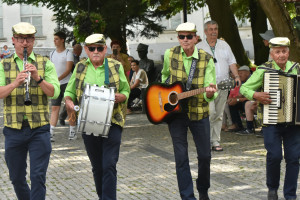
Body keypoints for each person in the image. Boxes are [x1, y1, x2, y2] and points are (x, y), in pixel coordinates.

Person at [64, 33, 130, 199]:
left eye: (99, 48)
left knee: (109, 164)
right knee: (97, 167)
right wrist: (69, 102)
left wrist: (121, 97)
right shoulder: (80, 67)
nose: (95, 51)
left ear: (105, 49)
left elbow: (126, 90)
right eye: (91, 48)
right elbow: (69, 92)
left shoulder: (115, 66)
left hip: (112, 120)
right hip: (88, 122)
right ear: (86, 50)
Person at [0, 22, 60, 200]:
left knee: (37, 176)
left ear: (34, 41)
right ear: (13, 40)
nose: (24, 43)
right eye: (20, 39)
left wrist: (38, 78)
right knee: (16, 177)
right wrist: (15, 83)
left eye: (28, 39)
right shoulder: (4, 64)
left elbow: (54, 92)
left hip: (39, 128)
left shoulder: (45, 63)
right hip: (13, 129)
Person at [161, 22, 217, 200]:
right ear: (178, 38)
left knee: (205, 155)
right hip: (176, 114)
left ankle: (203, 189)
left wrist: (209, 93)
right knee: (181, 157)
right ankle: (187, 196)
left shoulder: (206, 58)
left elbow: (211, 86)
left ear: (196, 38)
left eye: (189, 36)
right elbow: (164, 77)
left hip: (199, 111)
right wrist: (165, 94)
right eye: (181, 37)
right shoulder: (169, 54)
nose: (185, 40)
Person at [240, 37, 300, 200]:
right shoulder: (263, 70)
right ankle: (272, 188)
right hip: (271, 121)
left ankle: (290, 195)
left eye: (284, 51)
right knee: (274, 155)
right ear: (272, 53)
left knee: (294, 158)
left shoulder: (296, 69)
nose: (281, 55)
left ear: (288, 52)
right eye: (277, 52)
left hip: (294, 123)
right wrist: (255, 94)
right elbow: (244, 88)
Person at [197, 20, 240, 151]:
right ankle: (206, 141)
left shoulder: (224, 45)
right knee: (210, 113)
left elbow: (231, 61)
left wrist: (237, 76)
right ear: (205, 31)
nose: (213, 32)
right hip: (207, 86)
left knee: (219, 114)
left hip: (223, 84)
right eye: (210, 29)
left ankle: (215, 141)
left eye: (215, 29)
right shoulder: (199, 47)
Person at [49, 31, 74, 141]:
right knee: (55, 108)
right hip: (56, 85)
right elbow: (50, 69)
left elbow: (68, 70)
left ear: (62, 40)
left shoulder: (68, 53)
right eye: (54, 39)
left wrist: (57, 79)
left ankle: (72, 131)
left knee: (69, 107)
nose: (54, 41)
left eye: (56, 39)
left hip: (67, 83)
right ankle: (51, 132)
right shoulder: (52, 53)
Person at [226, 66, 257, 135]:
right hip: (247, 100)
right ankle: (238, 125)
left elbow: (253, 96)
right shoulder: (242, 81)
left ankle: (250, 127)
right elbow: (240, 94)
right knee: (232, 104)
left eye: (241, 73)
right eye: (238, 73)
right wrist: (234, 99)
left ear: (247, 73)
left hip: (254, 101)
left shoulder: (253, 80)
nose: (239, 75)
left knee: (245, 103)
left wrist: (237, 99)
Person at [58, 43, 82, 126]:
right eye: (80, 50)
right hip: (71, 81)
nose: (81, 51)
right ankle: (62, 117)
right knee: (70, 100)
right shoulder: (73, 57)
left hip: (74, 80)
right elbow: (75, 68)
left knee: (74, 101)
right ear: (77, 50)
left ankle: (73, 119)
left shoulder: (76, 57)